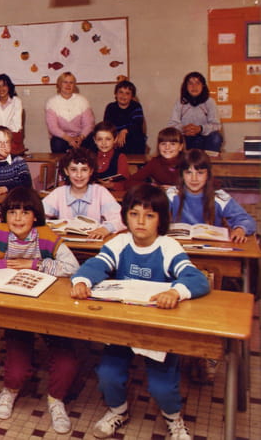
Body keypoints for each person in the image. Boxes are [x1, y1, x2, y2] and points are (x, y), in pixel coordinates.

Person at [71, 184, 209, 439]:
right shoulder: (120, 242)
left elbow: (197, 279)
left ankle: (173, 418)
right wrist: (82, 281)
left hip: (157, 329)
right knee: (108, 375)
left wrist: (175, 292)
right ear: (125, 216)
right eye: (134, 214)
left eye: (149, 215)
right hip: (123, 325)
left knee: (162, 387)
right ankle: (118, 411)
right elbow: (96, 265)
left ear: (161, 219)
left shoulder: (168, 246)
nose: (141, 222)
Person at [0, 186, 79, 433]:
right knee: (16, 369)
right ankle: (10, 390)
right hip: (16, 307)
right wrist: (2, 264)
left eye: (25, 213)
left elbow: (73, 267)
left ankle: (55, 400)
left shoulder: (45, 235)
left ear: (35, 216)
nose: (17, 218)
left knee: (66, 363)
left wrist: (34, 264)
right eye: (12, 212)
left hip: (47, 307)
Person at [167, 148, 256, 243]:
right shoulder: (172, 194)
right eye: (188, 173)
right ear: (182, 175)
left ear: (208, 175)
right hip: (180, 245)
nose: (194, 178)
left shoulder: (219, 196)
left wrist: (240, 229)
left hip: (211, 246)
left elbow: (246, 220)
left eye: (200, 173)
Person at [43, 148, 125, 239]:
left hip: (94, 244)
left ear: (91, 171)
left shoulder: (100, 192)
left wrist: (105, 229)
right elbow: (38, 214)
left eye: (84, 170)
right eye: (73, 170)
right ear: (66, 171)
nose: (79, 175)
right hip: (64, 244)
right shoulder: (59, 193)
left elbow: (121, 218)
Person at [168, 71, 222, 154]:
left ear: (203, 86)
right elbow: (172, 124)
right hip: (186, 138)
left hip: (204, 138)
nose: (194, 86)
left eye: (198, 83)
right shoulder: (180, 102)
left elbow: (217, 126)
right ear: (185, 86)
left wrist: (200, 129)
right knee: (170, 136)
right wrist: (183, 128)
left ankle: (210, 160)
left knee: (216, 137)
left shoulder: (210, 102)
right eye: (190, 83)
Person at [45, 72, 95, 153]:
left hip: (80, 136)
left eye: (71, 82)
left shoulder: (83, 101)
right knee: (57, 143)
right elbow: (53, 127)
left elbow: (89, 124)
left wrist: (80, 138)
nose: (68, 85)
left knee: (92, 139)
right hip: (62, 137)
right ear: (59, 84)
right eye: (65, 82)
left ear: (74, 85)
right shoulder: (51, 102)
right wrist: (69, 139)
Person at [0, 126, 32, 197]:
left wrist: (5, 188)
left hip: (17, 199)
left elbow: (26, 183)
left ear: (11, 144)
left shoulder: (19, 161)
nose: (3, 145)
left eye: (6, 142)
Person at [103, 80, 147, 154]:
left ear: (132, 97)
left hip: (131, 136)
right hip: (115, 136)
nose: (123, 96)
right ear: (116, 94)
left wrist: (124, 131)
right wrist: (116, 135)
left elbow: (137, 124)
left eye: (127, 93)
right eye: (121, 92)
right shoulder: (110, 107)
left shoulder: (136, 106)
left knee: (135, 137)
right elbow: (107, 125)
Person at [0, 74, 24, 154]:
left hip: (12, 138)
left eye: (4, 85)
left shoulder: (17, 101)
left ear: (9, 87)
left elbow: (16, 125)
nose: (1, 89)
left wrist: (3, 135)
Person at [92, 121, 130, 191]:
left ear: (115, 139)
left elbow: (125, 184)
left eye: (108, 139)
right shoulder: (90, 157)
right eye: (100, 139)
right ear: (95, 140)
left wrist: (110, 185)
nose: (104, 143)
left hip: (113, 195)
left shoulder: (120, 157)